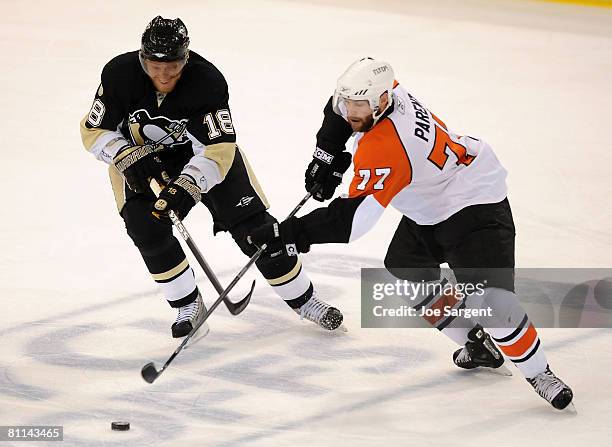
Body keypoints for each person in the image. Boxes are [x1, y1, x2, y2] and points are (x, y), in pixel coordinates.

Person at [249, 57, 573, 410]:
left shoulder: (387, 145)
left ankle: (540, 373)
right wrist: (325, 156)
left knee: (493, 304)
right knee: (408, 270)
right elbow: (336, 107)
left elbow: (353, 222)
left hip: (473, 203)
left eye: (360, 105)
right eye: (350, 102)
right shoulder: (387, 92)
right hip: (432, 201)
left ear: (382, 102)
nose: (350, 111)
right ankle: (477, 344)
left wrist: (289, 233)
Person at [80, 16, 343, 340]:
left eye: (172, 67)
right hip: (140, 160)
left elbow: (218, 148)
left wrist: (187, 186)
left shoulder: (207, 82)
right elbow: (94, 130)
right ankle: (188, 305)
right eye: (154, 67)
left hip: (205, 158)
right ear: (142, 58)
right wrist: (127, 156)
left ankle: (305, 301)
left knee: (255, 229)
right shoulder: (119, 74)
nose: (163, 76)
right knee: (145, 225)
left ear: (185, 59)